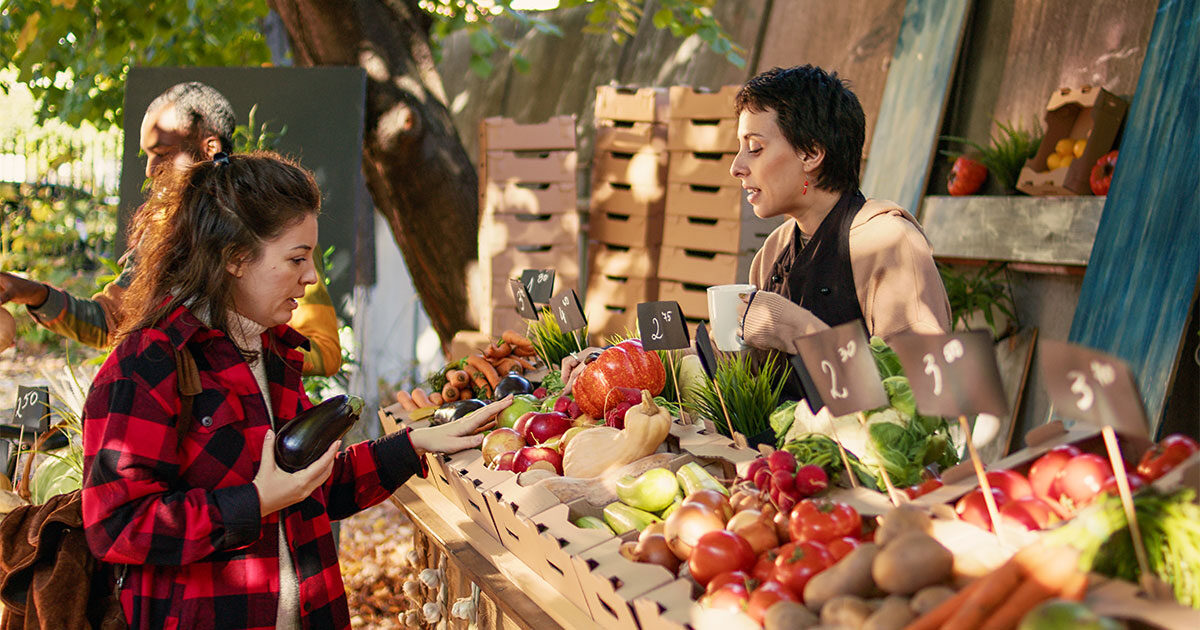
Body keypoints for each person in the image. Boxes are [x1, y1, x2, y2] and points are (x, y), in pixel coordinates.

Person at [80, 151, 512, 630]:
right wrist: (254, 501)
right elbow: (116, 526)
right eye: (297, 258)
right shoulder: (148, 363)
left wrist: (414, 445)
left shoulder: (272, 352)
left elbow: (312, 488)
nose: (311, 277)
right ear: (235, 258)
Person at [0, 81, 342, 376]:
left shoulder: (267, 223)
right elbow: (112, 322)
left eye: (162, 152)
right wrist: (31, 293)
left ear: (210, 148)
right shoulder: (161, 230)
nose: (150, 170)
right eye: (146, 155)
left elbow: (324, 351)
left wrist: (236, 351)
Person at [730, 65, 951, 357]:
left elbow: (922, 385)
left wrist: (795, 329)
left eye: (755, 147)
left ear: (810, 153)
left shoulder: (891, 244)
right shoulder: (775, 249)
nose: (736, 167)